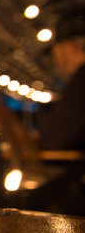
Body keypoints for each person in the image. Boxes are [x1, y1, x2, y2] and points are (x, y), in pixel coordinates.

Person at [38, 12, 85, 151]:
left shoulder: (81, 83)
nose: (56, 62)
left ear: (71, 48)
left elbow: (55, 141)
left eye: (55, 52)